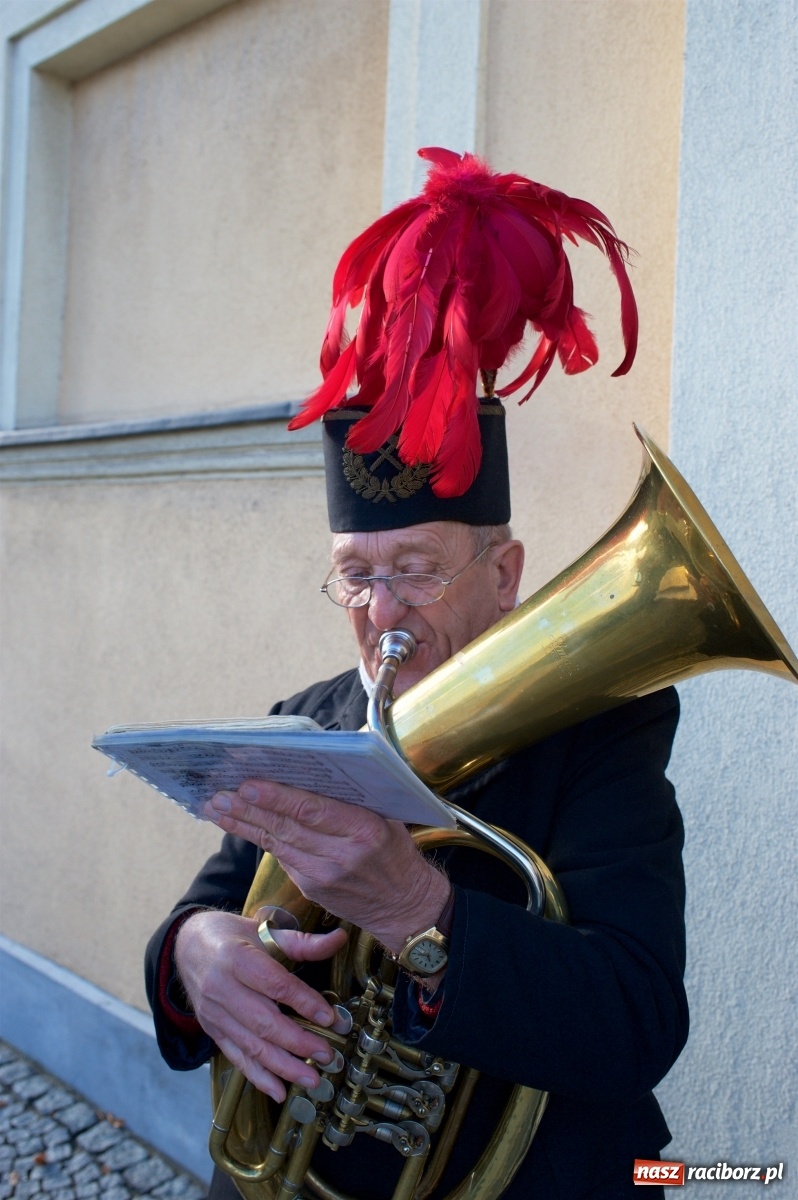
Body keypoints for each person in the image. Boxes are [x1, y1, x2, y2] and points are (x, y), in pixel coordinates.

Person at [145, 149, 687, 1199]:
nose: (382, 611)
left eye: (418, 570)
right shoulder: (306, 722)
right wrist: (194, 953)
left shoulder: (603, 730)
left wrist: (414, 911)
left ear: (505, 575)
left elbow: (638, 1021)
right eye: (356, 576)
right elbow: (211, 904)